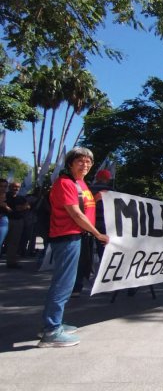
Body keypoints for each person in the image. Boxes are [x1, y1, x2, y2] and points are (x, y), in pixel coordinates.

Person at [38, 147, 109, 348]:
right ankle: (51, 330)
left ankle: (52, 323)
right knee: (63, 284)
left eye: (88, 162)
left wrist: (96, 199)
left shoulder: (80, 183)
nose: (85, 165)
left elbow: (84, 206)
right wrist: (98, 234)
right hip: (67, 237)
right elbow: (76, 214)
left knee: (66, 283)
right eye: (80, 161)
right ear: (70, 163)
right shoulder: (65, 183)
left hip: (76, 237)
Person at [5, 182, 31, 268]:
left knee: (14, 242)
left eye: (17, 187)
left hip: (17, 221)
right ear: (10, 187)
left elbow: (28, 206)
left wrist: (22, 207)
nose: (16, 189)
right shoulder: (5, 196)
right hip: (6, 221)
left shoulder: (21, 198)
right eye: (14, 187)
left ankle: (11, 262)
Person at [0, 179, 9, 255]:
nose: (3, 188)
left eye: (5, 186)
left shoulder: (9, 196)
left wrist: (6, 207)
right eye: (1, 186)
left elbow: (13, 211)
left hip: (3, 220)